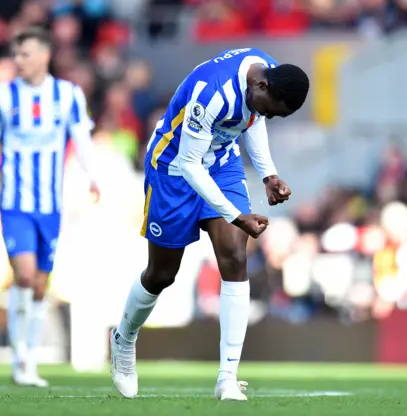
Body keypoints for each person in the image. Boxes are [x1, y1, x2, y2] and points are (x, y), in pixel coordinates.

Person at [110, 48, 309, 400]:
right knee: (161, 274)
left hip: (222, 161)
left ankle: (227, 379)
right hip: (174, 167)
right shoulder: (213, 94)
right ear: (260, 85)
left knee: (235, 256)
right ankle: (124, 338)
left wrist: (269, 174)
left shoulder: (269, 74)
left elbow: (255, 120)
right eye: (268, 108)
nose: (266, 116)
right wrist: (235, 214)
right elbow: (189, 164)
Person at [0, 27, 100, 387]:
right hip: (14, 203)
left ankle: (29, 354)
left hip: (50, 205)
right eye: (16, 54)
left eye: (25, 54)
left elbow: (82, 140)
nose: (19, 61)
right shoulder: (2, 96)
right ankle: (21, 357)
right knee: (24, 276)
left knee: (41, 285)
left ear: (44, 55)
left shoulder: (68, 95)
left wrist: (94, 176)